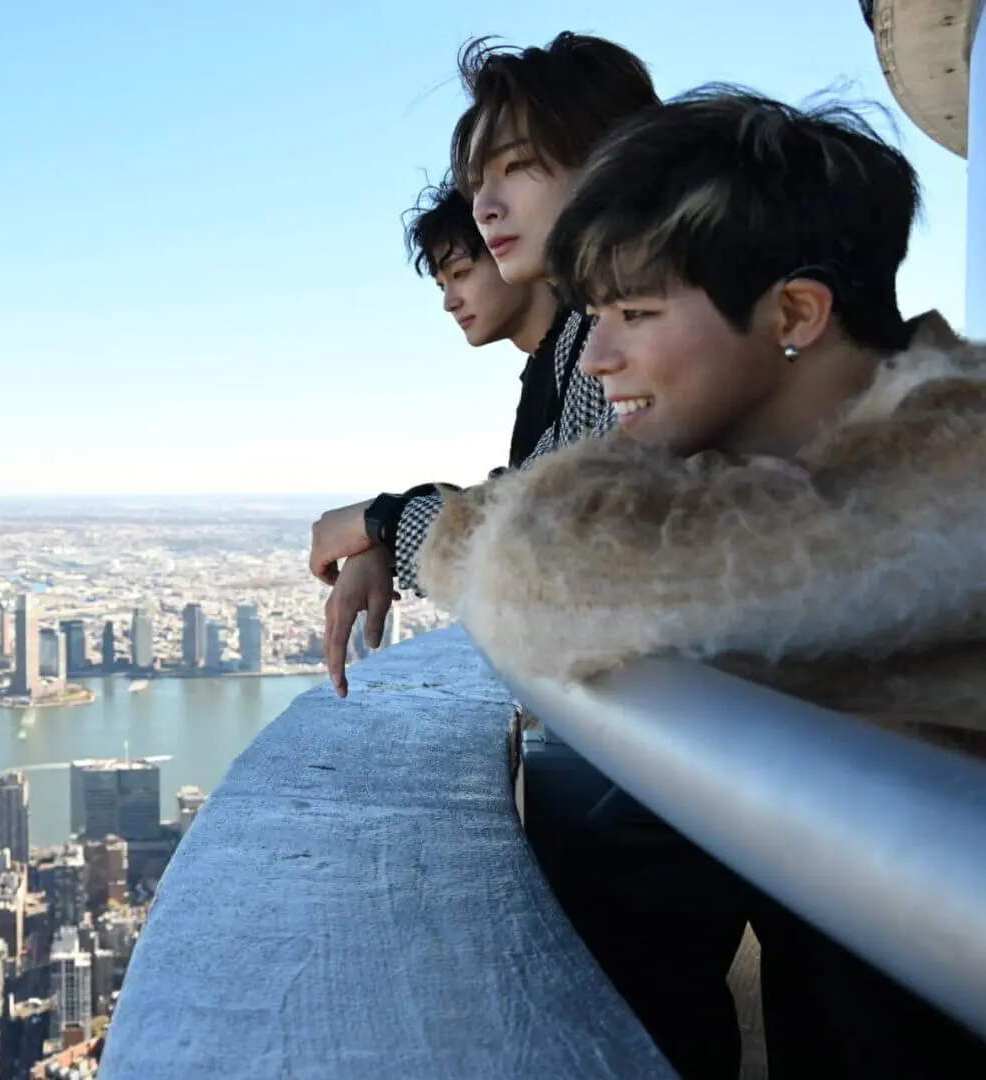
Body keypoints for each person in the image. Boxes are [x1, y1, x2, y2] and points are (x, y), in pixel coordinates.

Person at [416, 86, 986, 1079]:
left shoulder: (944, 476)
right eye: (595, 315)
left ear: (795, 313)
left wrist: (407, 522)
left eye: (635, 312)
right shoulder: (809, 462)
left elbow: (543, 571)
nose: (598, 356)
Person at [311, 32, 658, 694]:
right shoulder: (589, 330)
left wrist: (383, 521)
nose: (485, 205)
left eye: (515, 165)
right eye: (476, 183)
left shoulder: (649, 319)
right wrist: (384, 530)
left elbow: (569, 549)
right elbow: (537, 494)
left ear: (613, 159)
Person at [405, 177, 556, 356]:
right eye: (442, 286)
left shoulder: (588, 354)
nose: (449, 303)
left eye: (460, 273)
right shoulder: (551, 371)